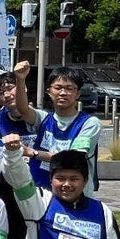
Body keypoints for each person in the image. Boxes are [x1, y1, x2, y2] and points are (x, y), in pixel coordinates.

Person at [29, 65, 103, 193]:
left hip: (77, 196)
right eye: (58, 88)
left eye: (69, 88)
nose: (63, 93)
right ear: (49, 92)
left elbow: (73, 158)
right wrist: (20, 79)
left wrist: (33, 153)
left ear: (78, 93)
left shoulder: (90, 123)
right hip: (44, 193)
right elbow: (21, 110)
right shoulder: (44, 118)